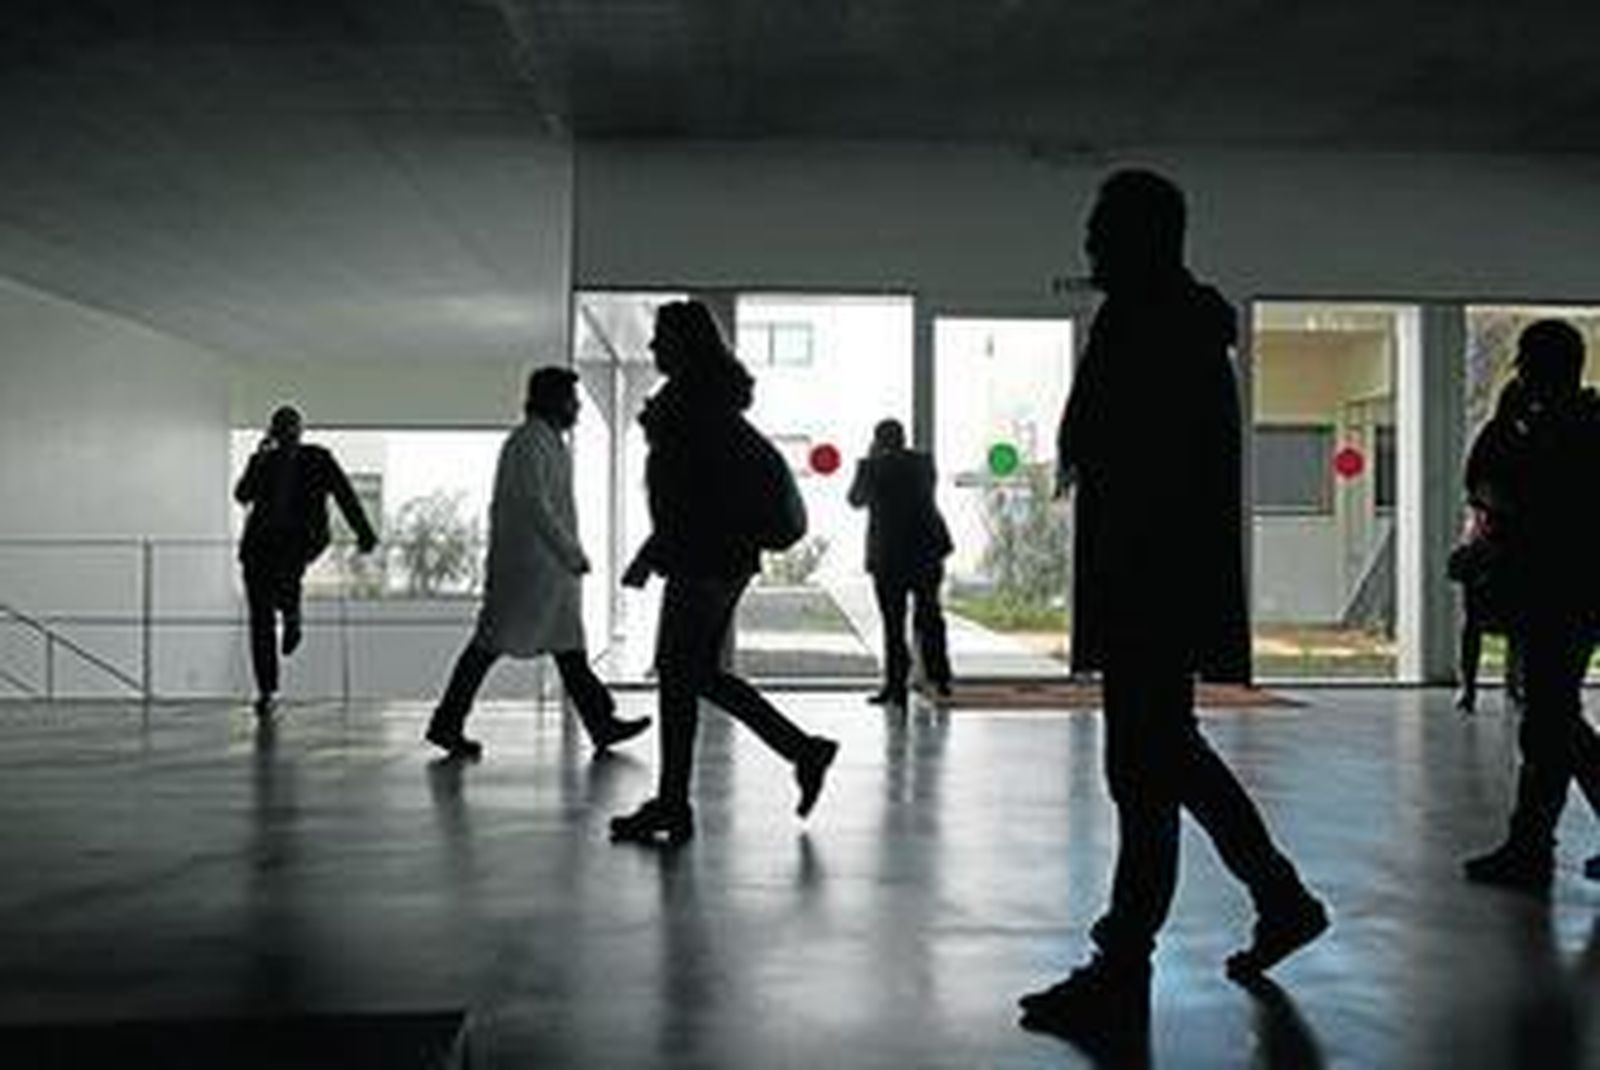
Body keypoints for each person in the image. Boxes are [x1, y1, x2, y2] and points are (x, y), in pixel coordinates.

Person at [1019, 170, 1327, 1052]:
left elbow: (1145, 470)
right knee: (1163, 762)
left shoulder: (1151, 328)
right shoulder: (1173, 326)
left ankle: (1126, 968)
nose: (1088, 245)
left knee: (1145, 773)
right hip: (1153, 584)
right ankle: (1277, 901)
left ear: (1141, 236)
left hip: (1144, 584)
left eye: (1100, 229)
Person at [609, 300, 839, 847]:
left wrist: (654, 552)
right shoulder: (705, 404)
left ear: (685, 344)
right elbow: (690, 496)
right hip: (720, 557)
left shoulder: (690, 409)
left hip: (703, 558)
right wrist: (657, 549)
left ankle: (674, 804)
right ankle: (802, 751)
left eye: (661, 339)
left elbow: (688, 499)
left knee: (678, 674)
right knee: (696, 674)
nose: (652, 349)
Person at [424, 367, 649, 760]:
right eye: (572, 400)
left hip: (542, 570)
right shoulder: (529, 442)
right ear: (555, 401)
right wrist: (569, 552)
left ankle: (601, 723)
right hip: (529, 569)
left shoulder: (542, 441)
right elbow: (535, 505)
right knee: (490, 646)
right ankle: (447, 723)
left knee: (565, 647)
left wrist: (566, 555)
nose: (577, 407)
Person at [1460, 320, 1600, 893]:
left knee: (1552, 723)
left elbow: (1489, 484)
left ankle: (1529, 846)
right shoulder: (1583, 425)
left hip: (1555, 595)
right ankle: (1528, 845)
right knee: (1551, 721)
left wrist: (1502, 422)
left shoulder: (1544, 432)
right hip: (1579, 594)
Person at [234, 405, 378, 717]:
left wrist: (364, 532)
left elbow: (345, 494)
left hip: (301, 540)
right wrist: (258, 459)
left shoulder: (318, 458)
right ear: (273, 432)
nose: (285, 434)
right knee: (260, 620)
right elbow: (242, 495)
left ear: (300, 431)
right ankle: (267, 690)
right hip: (258, 549)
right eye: (280, 429)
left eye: (290, 428)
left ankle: (291, 611)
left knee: (286, 571)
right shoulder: (263, 461)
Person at [847, 418, 954, 706]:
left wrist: (869, 459)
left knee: (893, 624)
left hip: (889, 555)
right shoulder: (924, 464)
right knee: (930, 616)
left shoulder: (871, 467)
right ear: (903, 438)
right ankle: (940, 679)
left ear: (878, 441)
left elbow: (855, 500)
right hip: (927, 550)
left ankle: (895, 687)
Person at [1450, 379, 1528, 715]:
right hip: (1507, 539)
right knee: (1517, 620)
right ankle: (1510, 684)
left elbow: (1473, 484)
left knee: (1477, 620)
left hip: (1492, 537)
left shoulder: (1493, 437)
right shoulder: (1516, 438)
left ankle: (1471, 687)